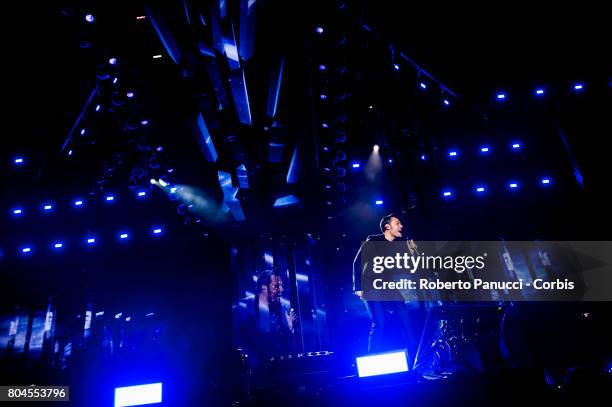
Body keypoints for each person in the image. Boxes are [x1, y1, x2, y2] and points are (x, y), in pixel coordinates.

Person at [353, 214, 419, 366]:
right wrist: (358, 287)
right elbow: (358, 262)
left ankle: (416, 358)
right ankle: (371, 361)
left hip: (389, 286)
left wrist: (414, 251)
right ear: (387, 227)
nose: (401, 226)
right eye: (397, 223)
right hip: (371, 286)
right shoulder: (372, 241)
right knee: (380, 321)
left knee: (405, 318)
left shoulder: (400, 244)